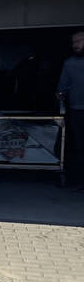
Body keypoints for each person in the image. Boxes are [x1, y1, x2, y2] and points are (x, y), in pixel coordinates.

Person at [57, 31, 84, 187]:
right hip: (76, 110)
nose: (76, 44)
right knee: (79, 147)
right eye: (74, 42)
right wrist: (60, 95)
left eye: (79, 41)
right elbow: (62, 87)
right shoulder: (69, 63)